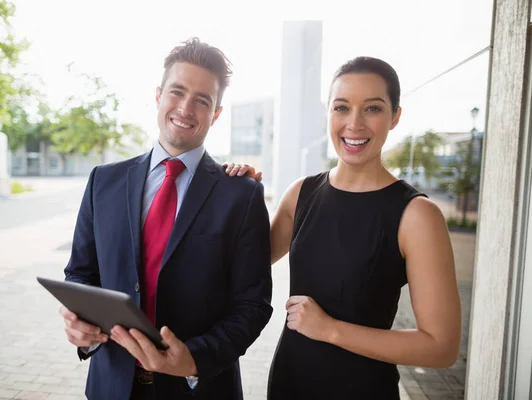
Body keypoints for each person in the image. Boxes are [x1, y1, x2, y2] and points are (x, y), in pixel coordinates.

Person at [225, 56, 462, 399]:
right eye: (341, 107)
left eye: (372, 109)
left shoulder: (417, 215)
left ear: (395, 116)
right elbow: (237, 265)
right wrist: (234, 194)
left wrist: (331, 330)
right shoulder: (300, 194)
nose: (354, 124)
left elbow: (441, 347)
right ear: (329, 114)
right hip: (288, 384)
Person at [59, 38, 273, 400]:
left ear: (216, 113)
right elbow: (80, 273)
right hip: (111, 386)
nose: (186, 108)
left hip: (198, 390)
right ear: (158, 95)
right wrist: (79, 323)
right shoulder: (103, 181)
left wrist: (193, 360)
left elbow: (252, 306)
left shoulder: (242, 194)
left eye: (202, 100)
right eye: (177, 92)